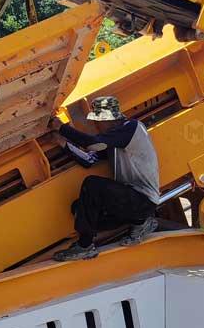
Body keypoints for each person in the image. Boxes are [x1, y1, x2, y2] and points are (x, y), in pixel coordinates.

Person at [51, 96, 160, 262]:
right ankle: (141, 223)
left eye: (97, 122)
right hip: (130, 205)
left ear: (107, 119)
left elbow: (93, 144)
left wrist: (62, 128)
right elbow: (90, 159)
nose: (96, 127)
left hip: (142, 200)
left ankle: (85, 246)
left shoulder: (132, 128)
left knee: (92, 184)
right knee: (79, 208)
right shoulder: (116, 141)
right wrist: (62, 143)